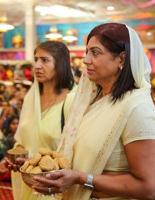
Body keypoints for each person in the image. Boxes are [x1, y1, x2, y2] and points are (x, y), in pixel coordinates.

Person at [31, 23, 155, 200]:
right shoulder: (91, 100)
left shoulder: (136, 107)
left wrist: (81, 178)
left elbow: (148, 187)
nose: (86, 59)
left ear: (122, 59)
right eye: (87, 52)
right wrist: (41, 167)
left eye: (95, 52)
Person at [6, 41, 76, 200]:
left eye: (44, 60)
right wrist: (18, 157)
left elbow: (77, 151)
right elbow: (24, 138)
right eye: (35, 59)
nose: (37, 65)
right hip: (30, 180)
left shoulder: (73, 100)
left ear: (61, 65)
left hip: (55, 187)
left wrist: (42, 162)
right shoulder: (32, 97)